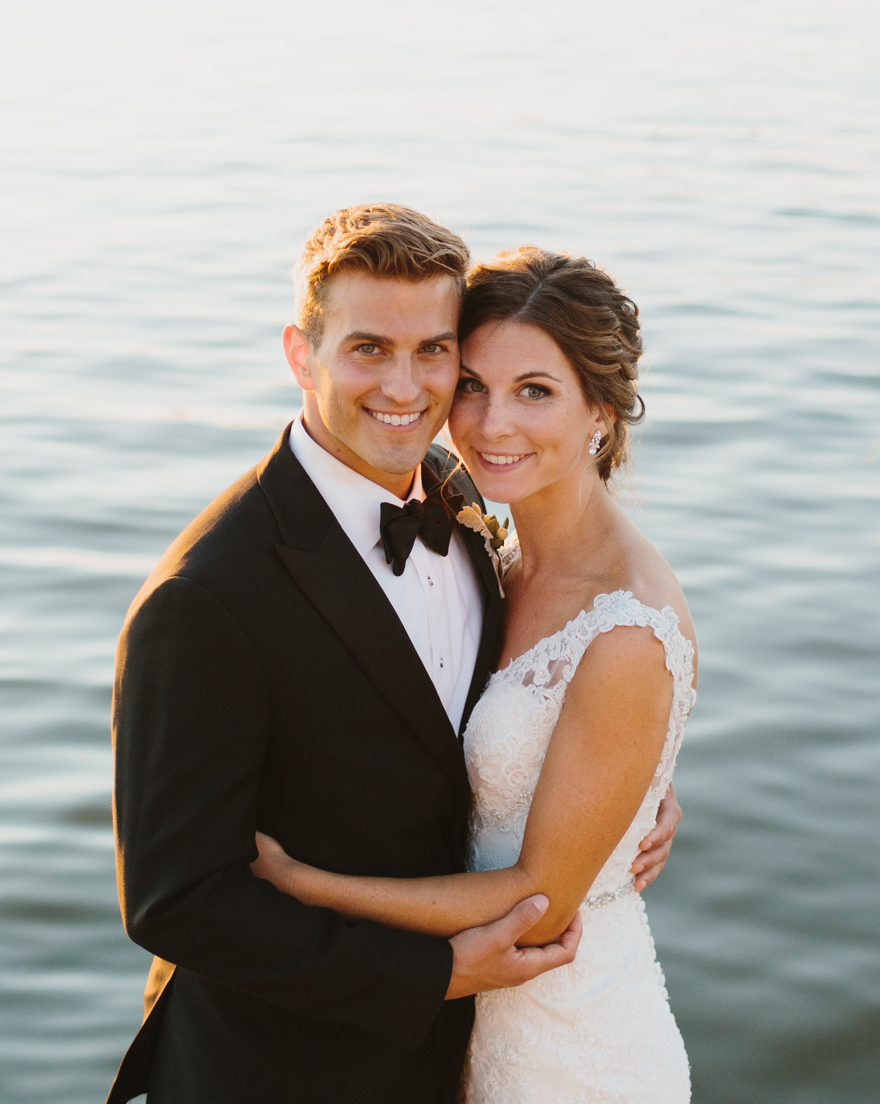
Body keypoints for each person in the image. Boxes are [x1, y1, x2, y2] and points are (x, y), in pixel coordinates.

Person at [106, 207, 680, 1104]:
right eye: (368, 348)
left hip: (483, 1055)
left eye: (434, 351)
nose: (406, 388)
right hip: (283, 1071)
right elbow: (176, 901)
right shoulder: (205, 599)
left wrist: (629, 791)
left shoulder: (464, 499)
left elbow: (517, 707)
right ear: (302, 353)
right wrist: (428, 973)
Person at [250, 244, 698, 1102]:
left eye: (536, 391)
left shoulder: (627, 626)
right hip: (460, 1029)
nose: (492, 425)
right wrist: (642, 790)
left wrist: (305, 885)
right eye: (473, 385)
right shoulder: (485, 539)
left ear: (601, 409)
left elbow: (538, 896)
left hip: (572, 1046)